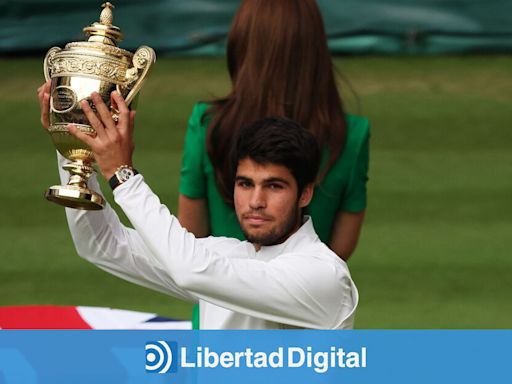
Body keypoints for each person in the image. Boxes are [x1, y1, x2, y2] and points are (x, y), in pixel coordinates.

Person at [40, 89, 358, 329]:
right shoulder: (226, 256)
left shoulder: (323, 276)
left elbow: (191, 269)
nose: (255, 201)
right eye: (245, 184)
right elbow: (102, 245)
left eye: (274, 186)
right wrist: (74, 145)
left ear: (305, 194)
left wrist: (124, 176)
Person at [178, 0, 369, 328]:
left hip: (216, 328)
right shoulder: (350, 134)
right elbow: (338, 251)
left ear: (242, 45)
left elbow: (190, 240)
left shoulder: (208, 123)